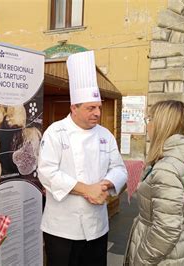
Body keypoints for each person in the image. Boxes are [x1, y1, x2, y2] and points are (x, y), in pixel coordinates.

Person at [37, 51, 127, 266]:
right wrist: (87, 189)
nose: (97, 112)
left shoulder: (105, 134)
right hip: (62, 227)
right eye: (90, 108)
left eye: (98, 107)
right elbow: (46, 172)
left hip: (97, 225)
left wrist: (104, 185)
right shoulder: (55, 132)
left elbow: (120, 169)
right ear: (74, 108)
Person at [124, 100, 184, 265]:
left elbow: (166, 230)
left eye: (150, 120)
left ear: (162, 125)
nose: (147, 126)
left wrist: (142, 260)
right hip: (182, 246)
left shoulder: (167, 168)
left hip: (166, 257)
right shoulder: (183, 157)